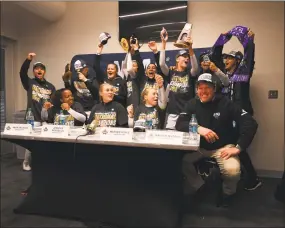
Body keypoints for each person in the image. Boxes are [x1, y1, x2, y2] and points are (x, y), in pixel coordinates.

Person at [175, 73, 258, 207]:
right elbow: (180, 124)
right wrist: (199, 129)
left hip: (223, 148)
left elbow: (250, 123)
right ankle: (199, 186)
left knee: (232, 171)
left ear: (214, 88)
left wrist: (238, 148)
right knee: (182, 162)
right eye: (200, 88)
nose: (203, 91)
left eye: (207, 87)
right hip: (199, 147)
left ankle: (228, 193)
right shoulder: (192, 103)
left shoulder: (226, 103)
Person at [212, 26, 261, 191]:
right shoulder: (225, 77)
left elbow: (249, 56)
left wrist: (249, 41)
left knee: (239, 147)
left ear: (237, 60)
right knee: (232, 146)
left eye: (230, 58)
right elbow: (215, 57)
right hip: (229, 117)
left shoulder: (243, 74)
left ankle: (252, 179)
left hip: (242, 116)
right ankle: (241, 177)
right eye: (225, 58)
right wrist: (222, 39)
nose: (226, 60)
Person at [20, 52, 56, 171]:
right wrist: (28, 60)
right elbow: (22, 73)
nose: (39, 70)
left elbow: (53, 103)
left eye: (41, 69)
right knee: (31, 142)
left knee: (45, 142)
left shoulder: (51, 87)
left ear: (44, 71)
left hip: (46, 119)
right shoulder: (30, 83)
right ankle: (26, 162)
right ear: (34, 72)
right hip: (32, 117)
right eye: (36, 69)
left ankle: (42, 163)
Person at [157, 27, 199, 130]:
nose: (187, 58)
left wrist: (190, 48)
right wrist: (163, 43)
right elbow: (162, 64)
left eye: (187, 57)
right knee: (170, 139)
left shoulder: (190, 73)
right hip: (172, 113)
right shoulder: (171, 72)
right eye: (184, 56)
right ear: (177, 59)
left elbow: (196, 68)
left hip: (186, 114)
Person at [94, 43, 127, 107]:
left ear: (116, 71)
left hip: (117, 108)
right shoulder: (103, 80)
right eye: (108, 69)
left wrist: (112, 95)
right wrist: (98, 52)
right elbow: (96, 67)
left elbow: (124, 99)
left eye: (112, 69)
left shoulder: (122, 82)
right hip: (104, 107)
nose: (110, 70)